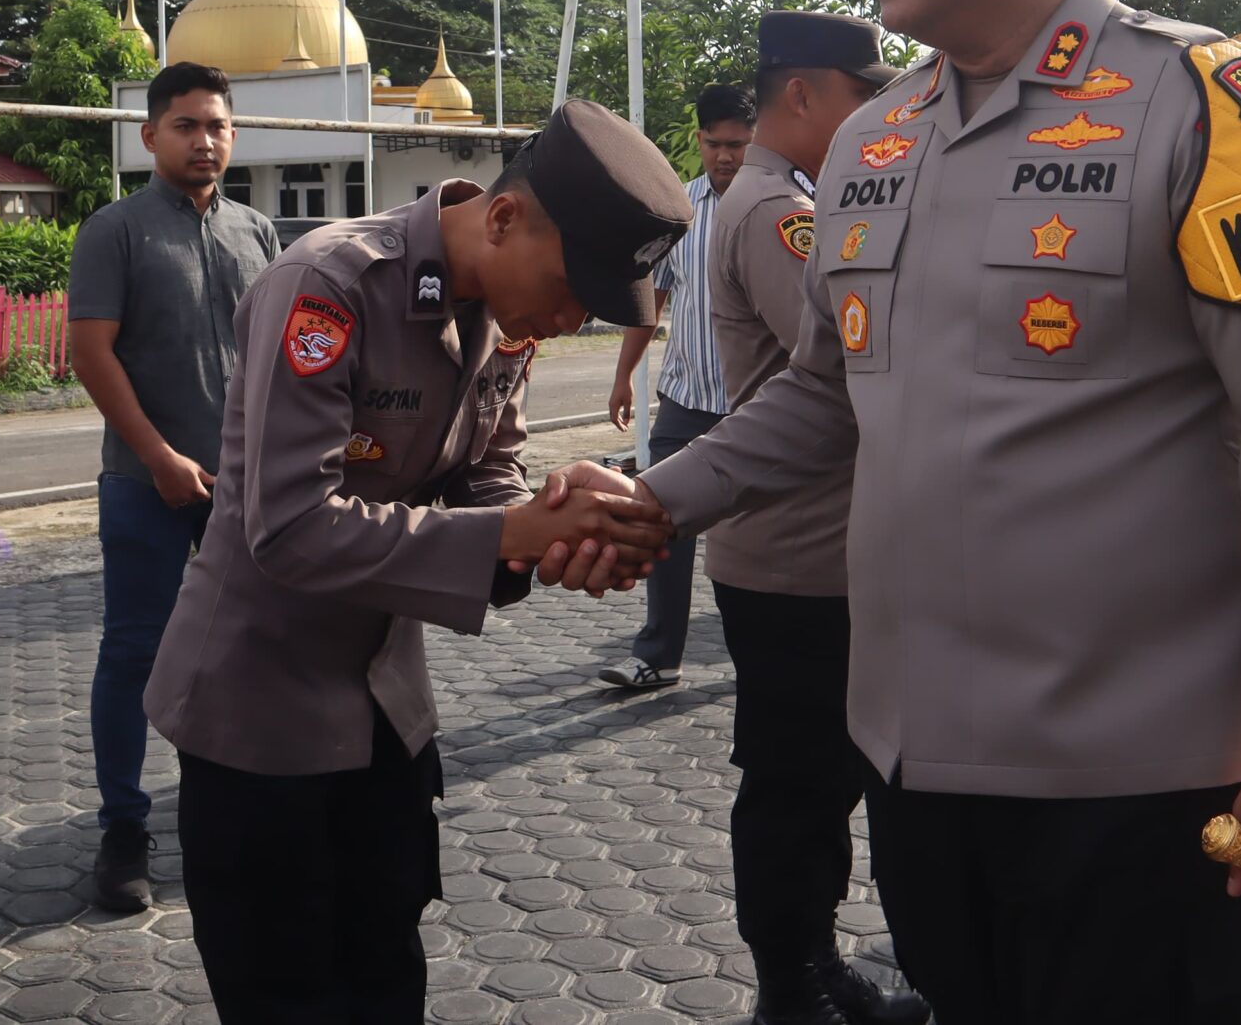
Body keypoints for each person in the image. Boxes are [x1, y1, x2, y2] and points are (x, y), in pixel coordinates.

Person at [556, 0, 1241, 1025]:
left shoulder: (1208, 104)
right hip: (917, 764)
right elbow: (825, 394)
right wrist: (653, 500)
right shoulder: (874, 138)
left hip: (1138, 777)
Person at [142, 99, 690, 1024]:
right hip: (259, 713)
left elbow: (489, 472)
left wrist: (553, 520)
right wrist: (510, 534)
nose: (568, 320)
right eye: (570, 289)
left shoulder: (506, 313)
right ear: (503, 218)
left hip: (384, 711)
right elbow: (288, 526)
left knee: (387, 972)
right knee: (285, 990)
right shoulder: (330, 284)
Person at [697, 12, 923, 1025]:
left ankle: (815, 965)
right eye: (859, 94)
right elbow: (848, 363)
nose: (875, 113)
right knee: (794, 786)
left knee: (822, 781)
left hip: (814, 546)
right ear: (801, 94)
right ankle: (790, 986)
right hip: (794, 552)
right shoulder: (775, 213)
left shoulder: (786, 198)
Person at [64, 62, 281, 914]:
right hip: (143, 484)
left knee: (242, 649)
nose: (204, 140)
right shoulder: (115, 230)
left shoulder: (257, 232)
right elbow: (92, 353)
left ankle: (228, 809)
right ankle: (124, 826)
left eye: (217, 125)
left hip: (242, 487)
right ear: (150, 134)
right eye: (186, 125)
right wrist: (157, 455)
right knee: (134, 653)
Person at [597, 81, 751, 692]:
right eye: (714, 144)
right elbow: (651, 302)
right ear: (700, 141)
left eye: (737, 144)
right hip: (685, 400)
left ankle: (759, 660)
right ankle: (659, 656)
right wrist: (624, 376)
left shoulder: (787, 204)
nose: (725, 156)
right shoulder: (678, 211)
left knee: (757, 537)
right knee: (658, 516)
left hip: (757, 403)